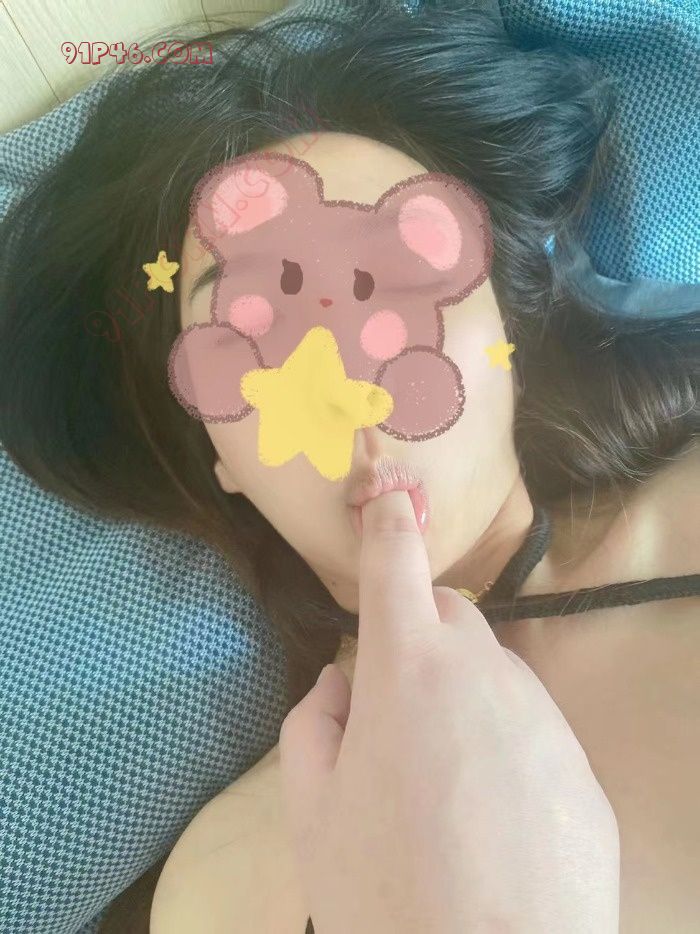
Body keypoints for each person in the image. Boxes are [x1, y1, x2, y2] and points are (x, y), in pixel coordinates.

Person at [0, 3, 697, 931]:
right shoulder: (225, 889)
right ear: (220, 458)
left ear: (511, 337)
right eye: (253, 318)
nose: (345, 370)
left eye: (401, 275)